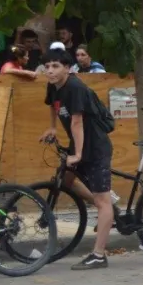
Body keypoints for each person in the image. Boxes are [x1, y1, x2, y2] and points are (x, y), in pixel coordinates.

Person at [39, 47, 114, 270]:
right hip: (79, 144)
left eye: (55, 66)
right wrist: (52, 127)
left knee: (102, 201)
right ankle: (109, 208)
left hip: (95, 147)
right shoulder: (54, 86)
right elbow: (53, 106)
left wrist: (78, 155)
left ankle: (99, 255)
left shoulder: (75, 87)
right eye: (47, 66)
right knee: (68, 181)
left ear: (67, 68)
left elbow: (77, 122)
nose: (50, 71)